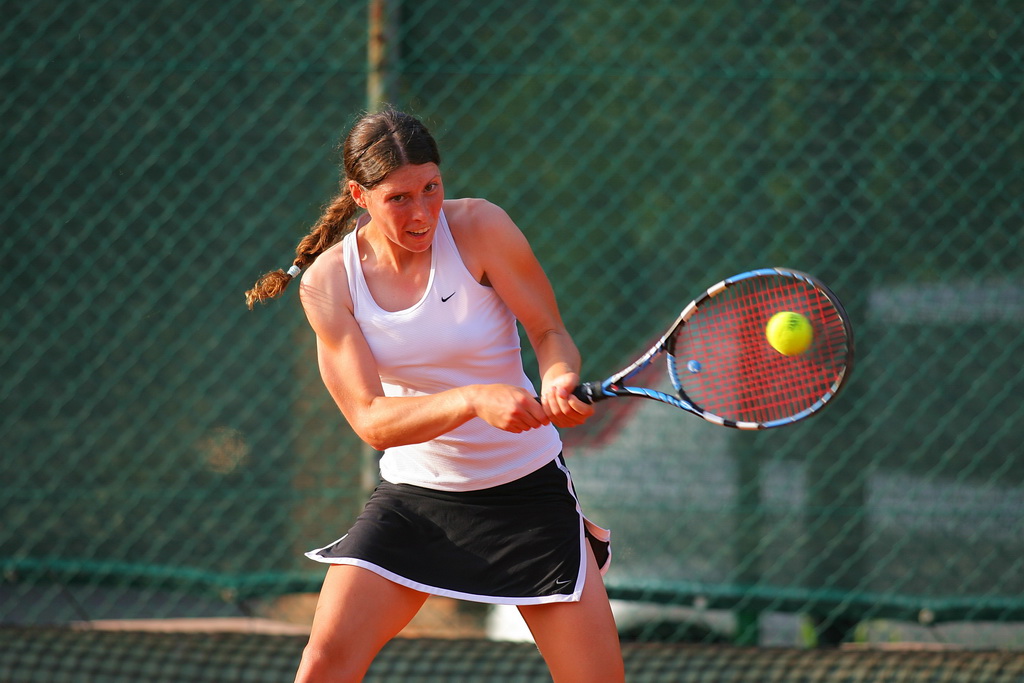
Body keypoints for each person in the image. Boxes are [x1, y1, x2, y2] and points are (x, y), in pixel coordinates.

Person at [246, 107, 624, 683]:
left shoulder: (482, 229)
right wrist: (474, 400)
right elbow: (371, 420)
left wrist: (556, 378)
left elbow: (549, 333)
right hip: (416, 502)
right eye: (399, 198)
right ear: (360, 195)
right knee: (322, 665)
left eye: (431, 188)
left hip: (528, 497)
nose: (422, 213)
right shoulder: (329, 283)